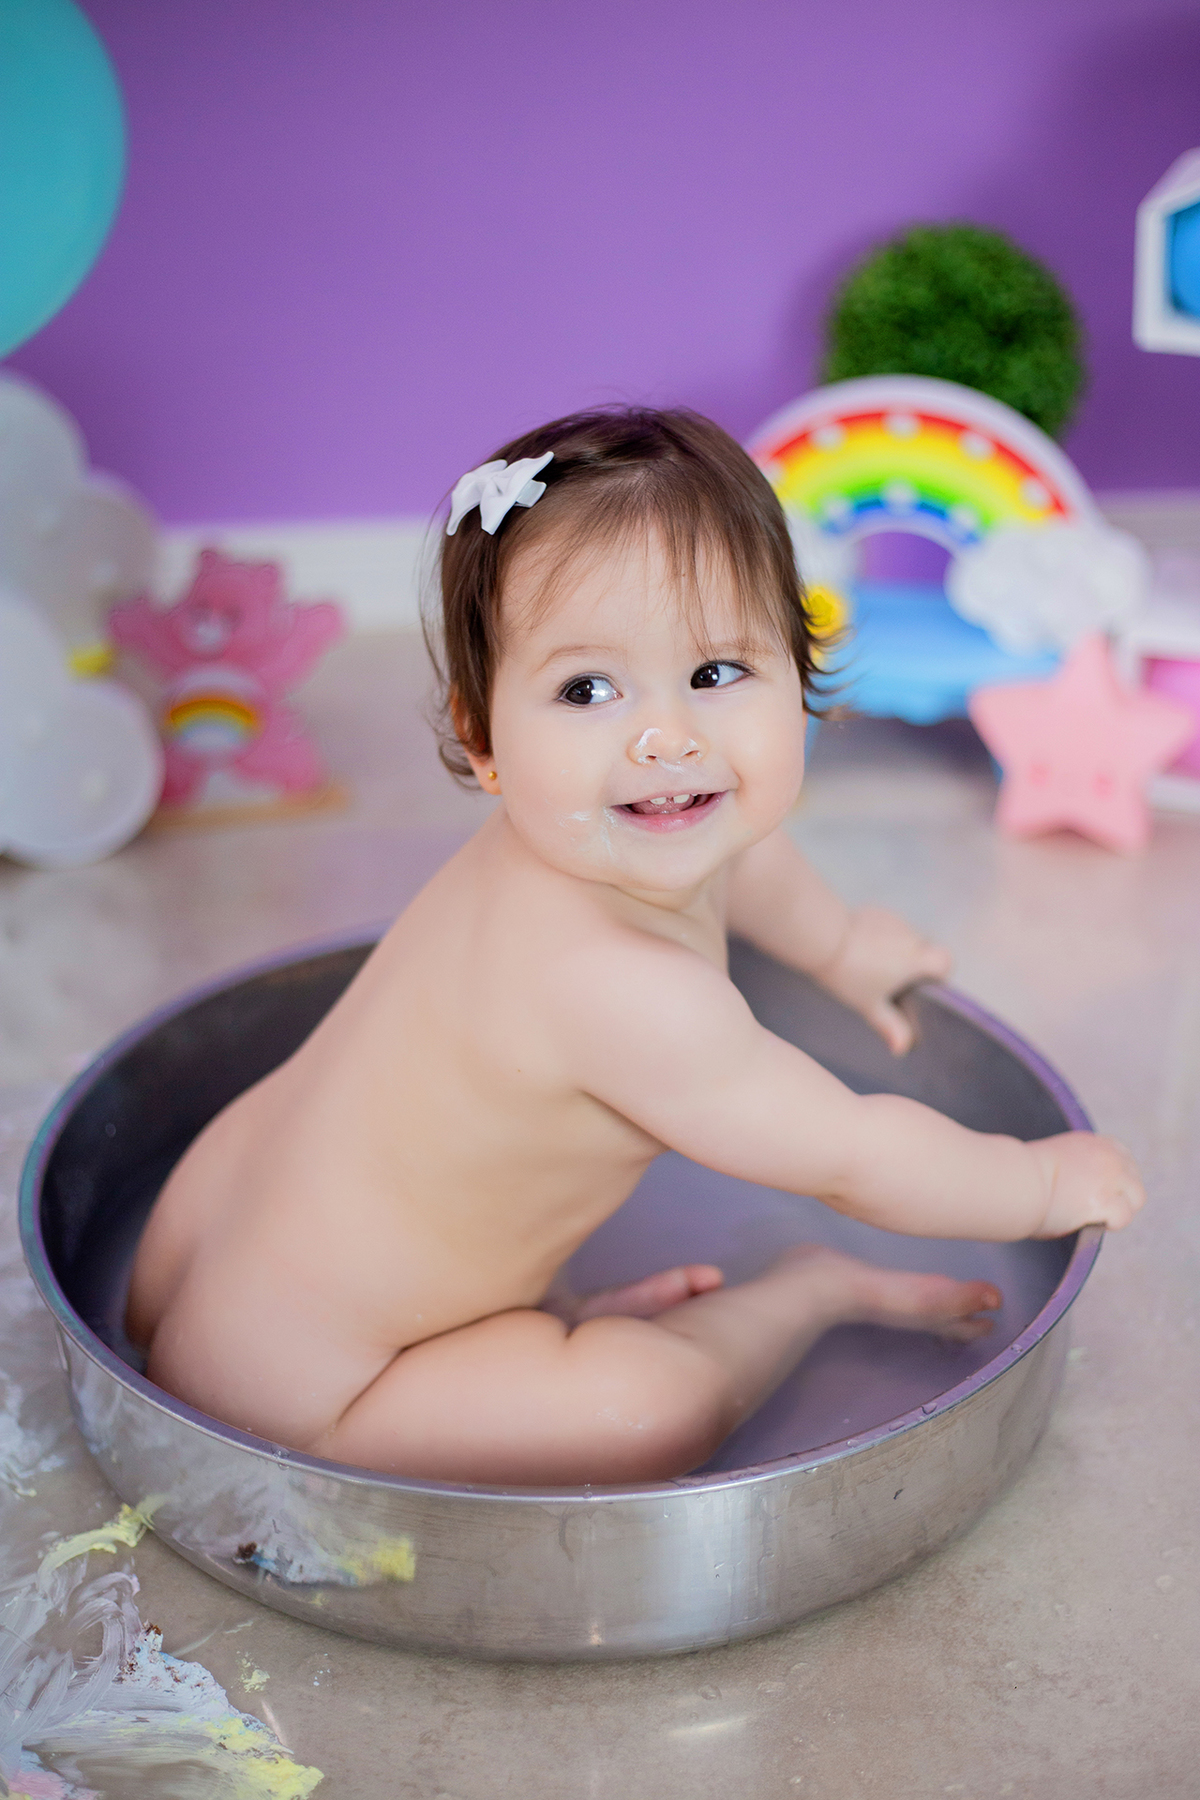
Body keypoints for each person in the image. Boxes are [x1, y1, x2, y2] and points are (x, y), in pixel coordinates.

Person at [126, 408, 1143, 1485]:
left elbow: (744, 855)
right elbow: (855, 1156)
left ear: (800, 676)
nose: (668, 738)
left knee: (319, 1170)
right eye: (588, 690)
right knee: (639, 1412)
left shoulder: (585, 824)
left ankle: (485, 1337)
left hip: (193, 1251)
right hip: (309, 1409)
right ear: (484, 742)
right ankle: (809, 1290)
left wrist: (840, 946)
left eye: (715, 673)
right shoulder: (624, 992)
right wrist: (1035, 1187)